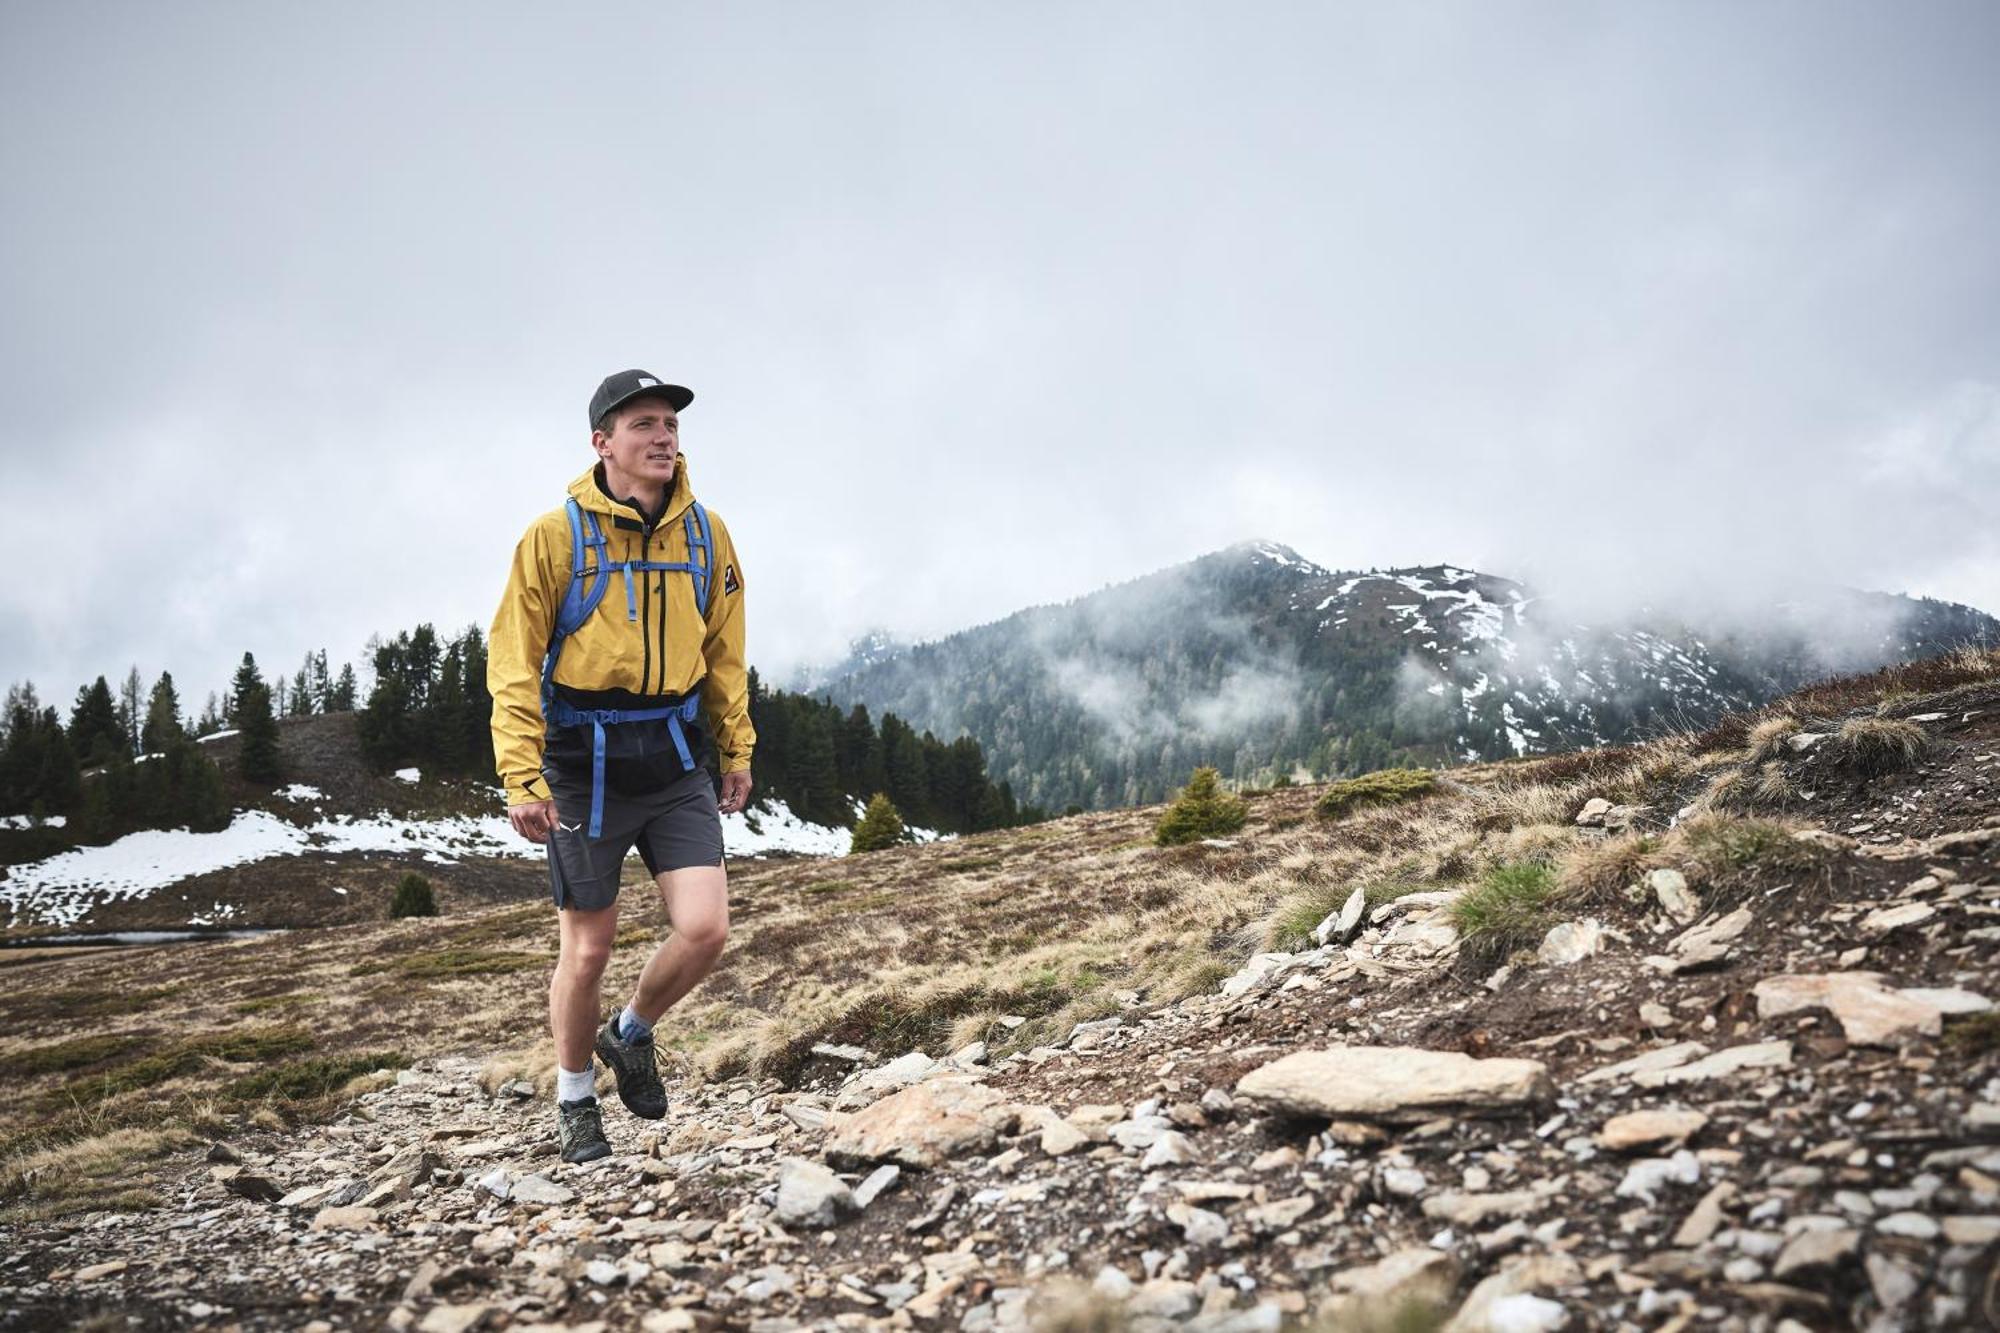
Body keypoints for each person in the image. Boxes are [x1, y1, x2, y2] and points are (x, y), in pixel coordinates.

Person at [488, 369, 755, 1163]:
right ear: (602, 442)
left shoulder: (707, 534)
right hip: (583, 766)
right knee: (588, 950)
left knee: (705, 929)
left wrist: (735, 746)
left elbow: (724, 653)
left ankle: (630, 1033)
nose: (664, 436)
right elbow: (512, 662)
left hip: (673, 759)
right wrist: (522, 775)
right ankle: (575, 1100)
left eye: (670, 423)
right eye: (643, 424)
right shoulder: (555, 537)